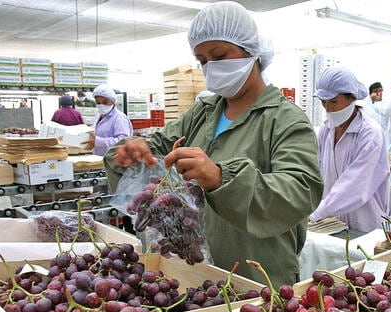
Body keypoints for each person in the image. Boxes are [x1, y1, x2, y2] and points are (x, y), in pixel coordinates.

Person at [103, 1, 323, 285]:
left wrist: (221, 178)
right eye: (203, 60)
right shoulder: (203, 113)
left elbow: (300, 190)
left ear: (251, 50)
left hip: (256, 277)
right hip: (192, 273)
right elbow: (155, 148)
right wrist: (132, 151)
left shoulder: (284, 120)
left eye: (219, 55)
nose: (211, 67)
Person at [309, 67, 391, 233]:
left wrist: (318, 212)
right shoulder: (326, 130)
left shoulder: (369, 134)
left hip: (365, 224)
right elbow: (316, 171)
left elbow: (354, 183)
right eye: (323, 102)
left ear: (352, 98)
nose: (328, 108)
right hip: (332, 223)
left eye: (333, 102)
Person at [82, 84, 132, 156]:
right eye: (98, 103)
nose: (101, 105)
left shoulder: (119, 118)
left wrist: (98, 141)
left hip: (114, 162)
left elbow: (124, 141)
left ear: (113, 101)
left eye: (105, 102)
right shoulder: (98, 115)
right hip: (99, 159)